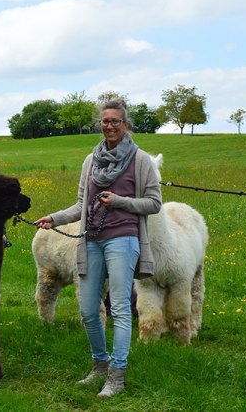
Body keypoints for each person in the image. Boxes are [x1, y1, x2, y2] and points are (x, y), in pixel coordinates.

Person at [34, 99, 162, 398]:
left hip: (123, 239)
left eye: (116, 121)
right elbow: (81, 205)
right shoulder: (91, 161)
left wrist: (120, 202)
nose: (110, 126)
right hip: (91, 239)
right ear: (100, 124)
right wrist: (55, 218)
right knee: (89, 309)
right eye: (105, 121)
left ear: (125, 125)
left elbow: (154, 203)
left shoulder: (140, 160)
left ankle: (117, 376)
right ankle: (99, 365)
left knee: (118, 307)